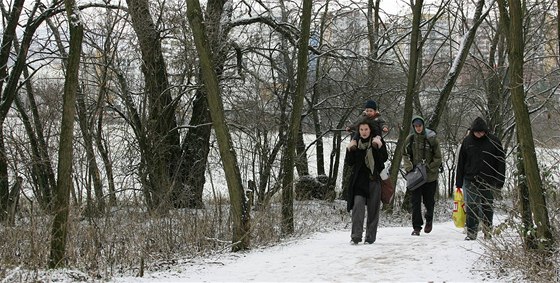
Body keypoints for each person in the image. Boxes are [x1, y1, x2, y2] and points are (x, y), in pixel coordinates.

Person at [455, 117, 506, 241]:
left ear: (485, 131)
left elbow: (501, 162)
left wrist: (500, 180)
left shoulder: (494, 141)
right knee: (471, 206)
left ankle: (487, 231)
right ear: (472, 131)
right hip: (470, 179)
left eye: (481, 132)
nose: (479, 134)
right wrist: (459, 182)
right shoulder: (467, 141)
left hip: (489, 180)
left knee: (487, 206)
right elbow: (461, 162)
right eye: (476, 132)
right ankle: (471, 232)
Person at [345, 119, 388, 244]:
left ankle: (370, 237)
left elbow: (383, 159)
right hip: (359, 182)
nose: (364, 132)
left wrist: (379, 146)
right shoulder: (355, 142)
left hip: (374, 180)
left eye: (366, 129)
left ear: (370, 130)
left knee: (373, 210)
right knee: (358, 207)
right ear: (358, 131)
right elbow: (350, 162)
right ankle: (356, 236)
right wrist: (350, 150)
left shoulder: (377, 141)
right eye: (361, 129)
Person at [402, 116, 442, 236]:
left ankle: (429, 219)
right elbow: (404, 154)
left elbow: (438, 157)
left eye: (420, 125)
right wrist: (409, 167)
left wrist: (430, 167)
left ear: (423, 126)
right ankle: (417, 227)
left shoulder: (432, 139)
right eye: (416, 126)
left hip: (430, 176)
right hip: (416, 176)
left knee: (429, 201)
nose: (418, 128)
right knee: (415, 201)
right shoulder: (410, 139)